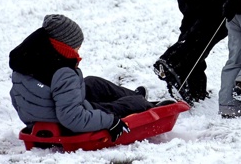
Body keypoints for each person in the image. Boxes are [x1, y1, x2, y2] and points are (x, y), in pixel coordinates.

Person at [9, 14, 172, 141]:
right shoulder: (62, 71)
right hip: (67, 124)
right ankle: (141, 103)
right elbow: (73, 118)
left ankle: (134, 97)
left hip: (43, 115)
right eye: (76, 46)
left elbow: (16, 98)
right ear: (64, 46)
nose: (78, 50)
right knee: (129, 105)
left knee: (93, 83)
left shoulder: (26, 61)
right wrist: (110, 121)